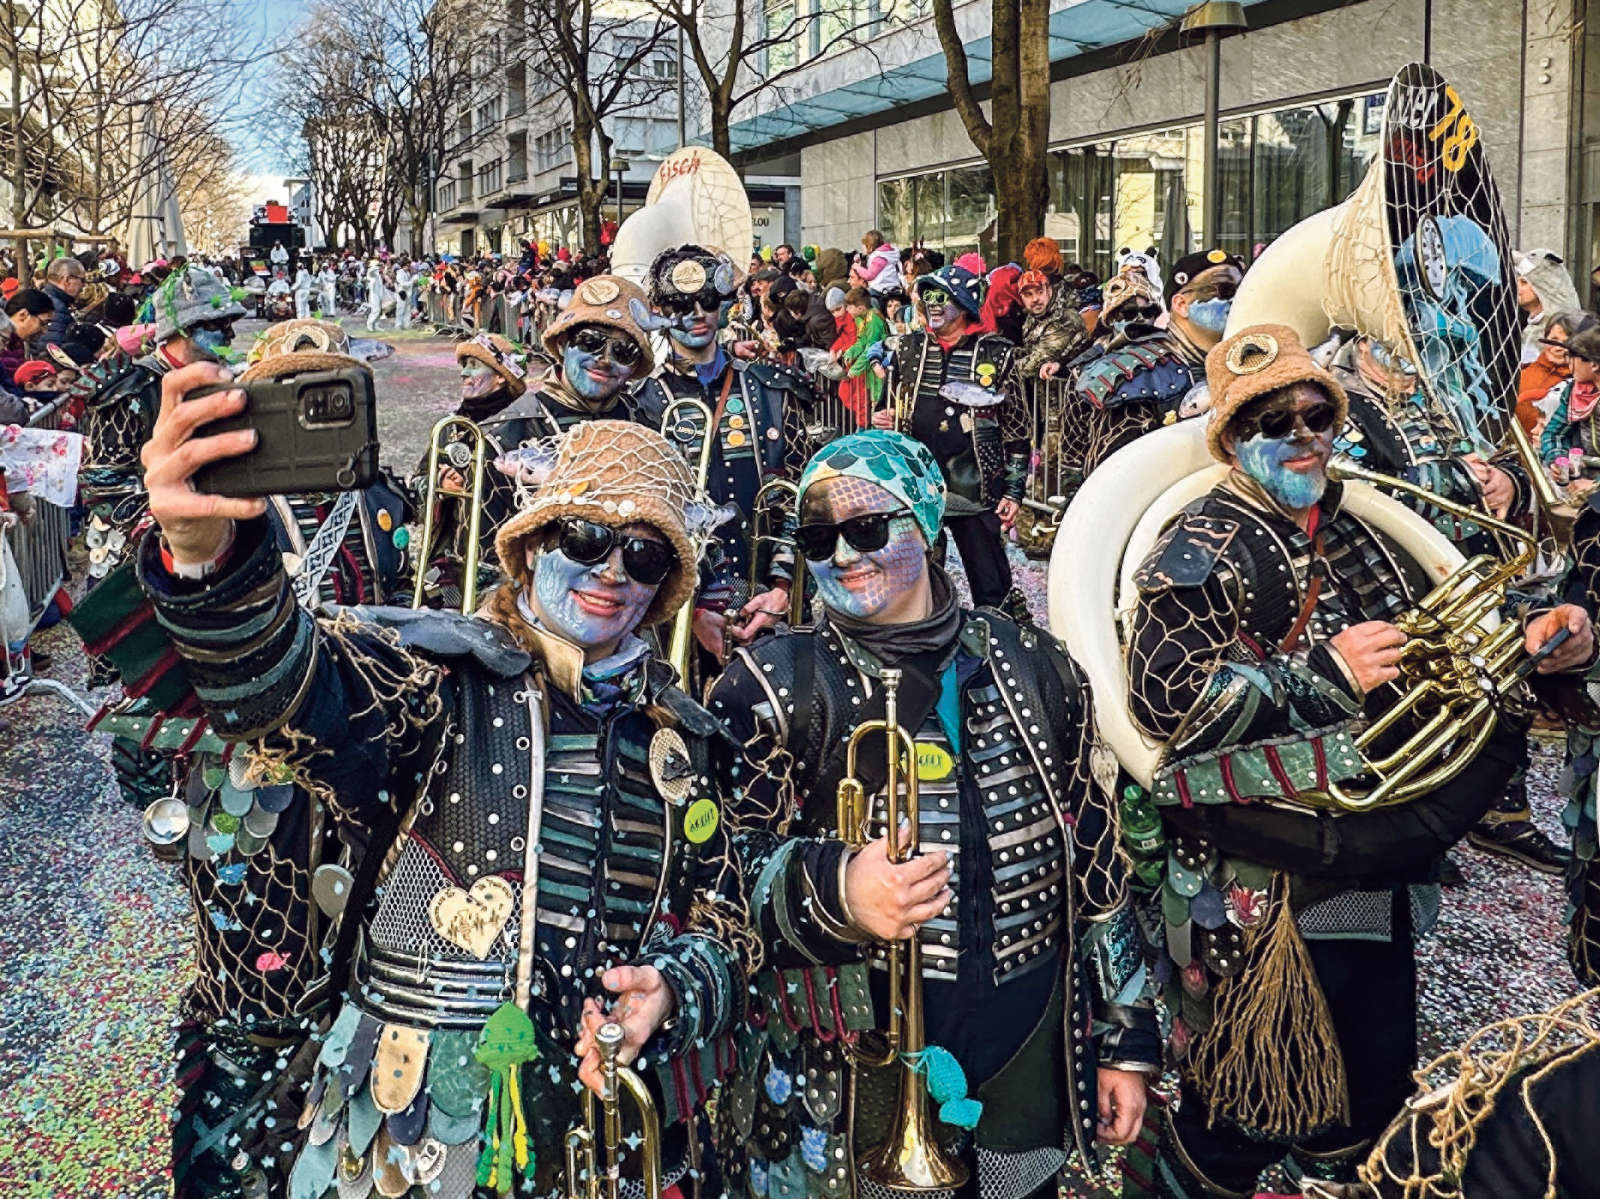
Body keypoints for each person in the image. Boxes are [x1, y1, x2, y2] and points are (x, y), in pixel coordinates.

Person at [134, 401, 749, 1199]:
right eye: (585, 538)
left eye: (642, 554)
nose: (611, 572)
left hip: (611, 1143)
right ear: (531, 546)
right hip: (417, 1136)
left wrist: (674, 986)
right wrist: (209, 558)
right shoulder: (433, 675)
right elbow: (293, 689)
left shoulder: (683, 733)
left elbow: (728, 916)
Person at [1125, 324, 1593, 1198]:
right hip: (1261, 878)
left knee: (1370, 1090)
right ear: (1233, 438)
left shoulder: (1363, 525)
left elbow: (1451, 626)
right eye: (1275, 422)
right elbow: (1166, 704)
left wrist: (1536, 634)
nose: (1304, 437)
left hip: (1375, 847)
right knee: (1244, 1103)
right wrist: (1321, 674)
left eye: (1317, 416)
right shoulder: (1203, 545)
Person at [709, 429, 1159, 1199]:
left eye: (868, 528)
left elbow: (1097, 865)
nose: (844, 555)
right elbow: (715, 881)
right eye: (818, 539)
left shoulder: (1036, 662)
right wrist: (835, 885)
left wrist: (1124, 1038)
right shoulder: (770, 683)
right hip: (853, 1058)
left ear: (925, 523)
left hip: (1024, 1037)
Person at [633, 244, 816, 665]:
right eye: (681, 305)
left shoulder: (772, 388)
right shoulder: (642, 403)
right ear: (659, 311)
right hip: (677, 609)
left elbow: (802, 496)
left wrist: (783, 587)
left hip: (768, 596)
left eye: (708, 302)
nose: (697, 314)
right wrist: (685, 607)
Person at [877, 263, 1027, 611]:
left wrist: (1015, 490)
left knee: (991, 584)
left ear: (963, 304)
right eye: (927, 295)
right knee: (918, 581)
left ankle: (1002, 644)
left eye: (941, 296)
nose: (932, 303)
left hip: (975, 486)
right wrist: (882, 415)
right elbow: (886, 403)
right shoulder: (907, 348)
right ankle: (924, 643)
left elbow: (1017, 428)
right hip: (918, 483)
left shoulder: (998, 353)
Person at [1072, 247, 1242, 476]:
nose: (1237, 300)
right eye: (1224, 291)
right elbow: (1113, 476)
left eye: (1241, 291)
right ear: (1181, 305)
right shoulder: (1137, 372)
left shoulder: (1247, 361)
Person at [1539, 319, 1600, 478]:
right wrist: (1559, 459)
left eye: (1572, 356)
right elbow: (1554, 434)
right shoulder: (1575, 391)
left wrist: (1595, 487)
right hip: (1585, 477)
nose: (1568, 363)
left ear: (1593, 364)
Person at [1016, 269, 1089, 381]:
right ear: (1021, 298)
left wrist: (1006, 365)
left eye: (1040, 292)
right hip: (1043, 393)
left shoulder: (1064, 318)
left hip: (1064, 394)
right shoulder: (1034, 317)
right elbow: (1029, 350)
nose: (1035, 299)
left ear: (1049, 291)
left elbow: (1035, 364)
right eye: (1028, 294)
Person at [1518, 310, 1582, 434]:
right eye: (1553, 339)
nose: (1558, 348)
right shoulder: (1522, 373)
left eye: (1567, 343)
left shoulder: (1583, 384)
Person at [1514, 249, 1582, 364]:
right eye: (1518, 281)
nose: (1518, 288)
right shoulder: (1528, 326)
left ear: (1543, 286)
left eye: (1524, 282)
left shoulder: (1560, 327)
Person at [1, 288, 53, 390]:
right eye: (43, 323)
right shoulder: (5, 345)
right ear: (23, 315)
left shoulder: (19, 344)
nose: (44, 331)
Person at [40, 255, 86, 347]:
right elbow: (53, 348)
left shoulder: (47, 298)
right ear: (67, 280)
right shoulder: (56, 307)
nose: (84, 285)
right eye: (82, 280)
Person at [853, 229, 903, 307]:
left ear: (869, 246)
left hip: (881, 288)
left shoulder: (879, 257)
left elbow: (870, 275)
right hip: (892, 286)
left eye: (864, 245)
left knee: (863, 298)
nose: (862, 247)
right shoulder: (886, 254)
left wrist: (858, 268)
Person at [364, 258, 386, 331]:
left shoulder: (378, 274)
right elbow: (371, 270)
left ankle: (376, 325)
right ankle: (369, 324)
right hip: (373, 295)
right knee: (375, 310)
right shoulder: (371, 273)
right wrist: (378, 266)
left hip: (379, 294)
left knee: (379, 311)